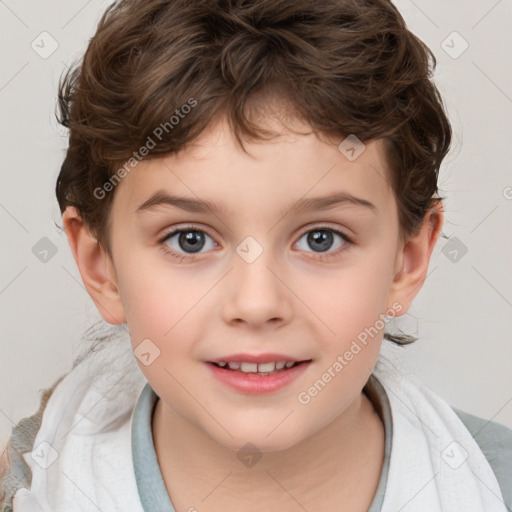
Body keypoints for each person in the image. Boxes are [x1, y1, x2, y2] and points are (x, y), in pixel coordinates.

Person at [1, 0, 511, 511]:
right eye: (190, 239)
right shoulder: (31, 488)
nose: (257, 302)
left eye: (321, 239)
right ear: (102, 268)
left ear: (408, 259)